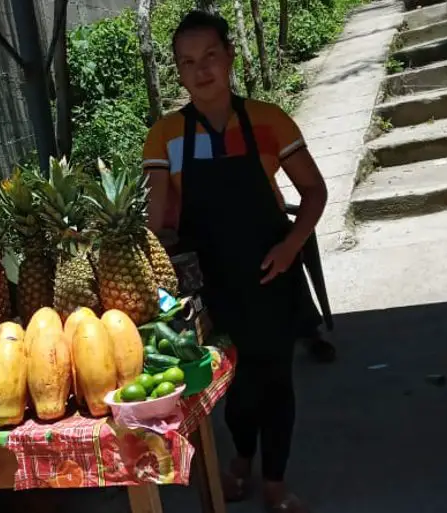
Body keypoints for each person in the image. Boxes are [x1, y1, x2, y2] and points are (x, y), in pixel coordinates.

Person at [143, 11, 328, 513]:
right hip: (211, 284)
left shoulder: (269, 120)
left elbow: (313, 191)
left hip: (273, 272)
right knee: (239, 383)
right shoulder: (165, 136)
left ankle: (274, 482)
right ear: (178, 73)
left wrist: (291, 246)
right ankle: (242, 459)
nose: (201, 70)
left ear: (229, 57)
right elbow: (159, 221)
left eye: (210, 57)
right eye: (188, 62)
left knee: (277, 378)